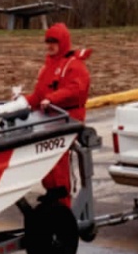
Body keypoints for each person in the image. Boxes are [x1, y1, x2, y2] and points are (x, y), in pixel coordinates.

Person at [25, 22, 92, 208]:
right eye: (47, 41)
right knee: (45, 158)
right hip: (50, 121)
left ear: (63, 42)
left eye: (53, 41)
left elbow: (76, 89)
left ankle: (62, 201)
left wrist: (52, 99)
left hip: (67, 121)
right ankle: (52, 194)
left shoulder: (75, 66)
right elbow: (38, 95)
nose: (49, 45)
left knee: (58, 161)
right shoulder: (48, 66)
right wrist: (21, 103)